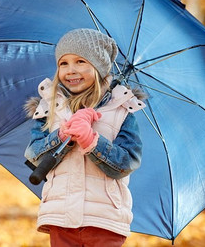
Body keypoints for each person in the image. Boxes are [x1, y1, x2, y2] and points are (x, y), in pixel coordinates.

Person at [24, 28, 147, 246]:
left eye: (81, 61)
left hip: (104, 219)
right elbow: (34, 155)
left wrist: (91, 140)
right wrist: (61, 135)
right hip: (60, 217)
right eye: (64, 63)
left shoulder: (120, 111)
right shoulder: (50, 108)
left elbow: (127, 162)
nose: (71, 70)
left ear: (98, 67)